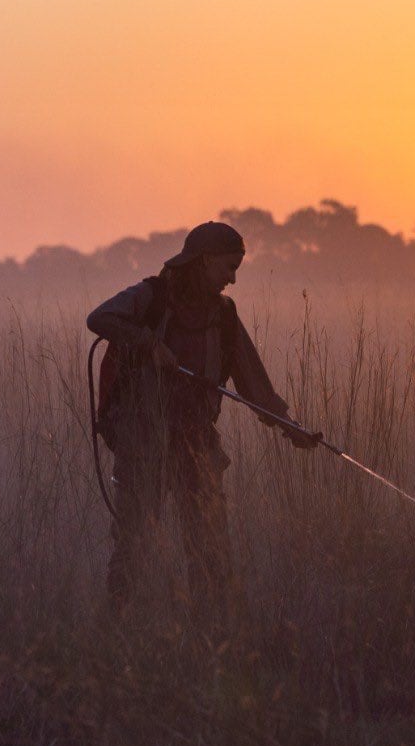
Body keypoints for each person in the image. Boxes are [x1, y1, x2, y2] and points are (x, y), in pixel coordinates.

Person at [86, 221, 317, 623]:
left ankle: (212, 638)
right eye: (228, 268)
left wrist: (288, 425)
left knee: (210, 546)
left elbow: (253, 383)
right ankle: (115, 631)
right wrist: (149, 343)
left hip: (197, 443)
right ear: (205, 261)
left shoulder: (224, 315)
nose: (232, 279)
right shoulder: (151, 296)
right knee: (135, 544)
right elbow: (99, 318)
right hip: (144, 440)